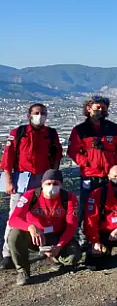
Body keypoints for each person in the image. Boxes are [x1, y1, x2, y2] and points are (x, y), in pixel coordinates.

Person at [1, 103, 62, 269]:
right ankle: (8, 253)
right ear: (29, 115)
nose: (40, 116)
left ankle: (47, 248)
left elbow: (57, 154)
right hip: (22, 178)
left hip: (43, 179)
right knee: (15, 213)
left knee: (45, 213)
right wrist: (8, 181)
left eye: (43, 113)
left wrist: (53, 174)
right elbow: (7, 159)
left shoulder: (51, 134)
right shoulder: (18, 133)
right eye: (36, 113)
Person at [67, 96, 117, 246]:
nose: (100, 110)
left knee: (110, 205)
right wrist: (86, 162)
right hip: (89, 175)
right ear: (88, 108)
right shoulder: (80, 130)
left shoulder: (113, 128)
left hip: (109, 175)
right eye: (97, 107)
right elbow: (73, 151)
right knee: (87, 205)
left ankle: (105, 233)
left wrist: (114, 164)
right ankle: (84, 236)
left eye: (103, 108)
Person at [7, 169, 80, 286]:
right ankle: (22, 271)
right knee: (14, 235)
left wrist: (59, 246)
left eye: (55, 184)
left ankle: (55, 259)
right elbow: (13, 219)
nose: (52, 187)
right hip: (36, 235)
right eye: (48, 183)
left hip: (56, 235)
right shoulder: (30, 195)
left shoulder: (69, 198)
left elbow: (71, 226)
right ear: (42, 184)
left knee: (73, 257)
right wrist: (30, 227)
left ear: (61, 185)